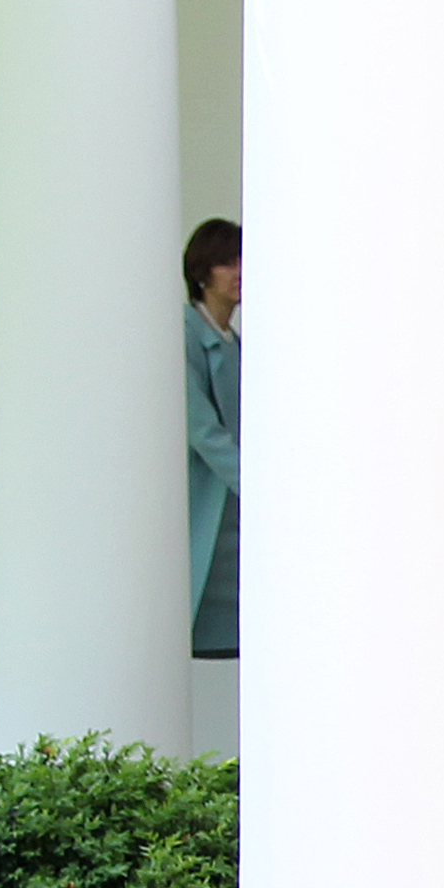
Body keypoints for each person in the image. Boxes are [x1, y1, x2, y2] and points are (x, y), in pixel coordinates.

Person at [182, 219, 242, 660]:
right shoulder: (182, 334)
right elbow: (201, 428)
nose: (239, 271)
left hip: (236, 509)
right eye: (227, 262)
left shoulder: (236, 342)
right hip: (205, 502)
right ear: (202, 272)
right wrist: (259, 489)